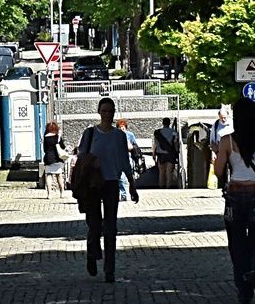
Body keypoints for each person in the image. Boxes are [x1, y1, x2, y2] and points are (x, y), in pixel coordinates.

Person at [216, 97, 255, 304]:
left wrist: (223, 178)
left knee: (237, 242)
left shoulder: (228, 141)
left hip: (234, 197)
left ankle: (243, 290)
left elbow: (218, 170)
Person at [76, 98, 137, 282]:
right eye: (104, 111)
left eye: (110, 111)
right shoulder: (91, 133)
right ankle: (92, 253)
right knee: (95, 226)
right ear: (99, 112)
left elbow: (125, 162)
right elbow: (81, 157)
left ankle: (110, 269)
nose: (107, 114)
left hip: (111, 183)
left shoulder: (119, 136)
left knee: (111, 228)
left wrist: (132, 186)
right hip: (93, 184)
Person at [152, 118, 183, 190]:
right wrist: (176, 152)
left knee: (161, 172)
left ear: (163, 123)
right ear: (169, 123)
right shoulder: (174, 132)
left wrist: (153, 154)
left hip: (161, 154)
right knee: (169, 172)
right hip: (170, 154)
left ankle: (161, 187)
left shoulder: (158, 132)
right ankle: (168, 187)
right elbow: (175, 143)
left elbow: (155, 144)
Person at [41, 119, 67, 198]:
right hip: (57, 158)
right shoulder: (57, 137)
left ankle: (49, 194)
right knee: (59, 176)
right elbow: (63, 146)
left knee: (49, 176)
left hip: (49, 158)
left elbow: (45, 149)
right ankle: (62, 193)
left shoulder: (45, 138)